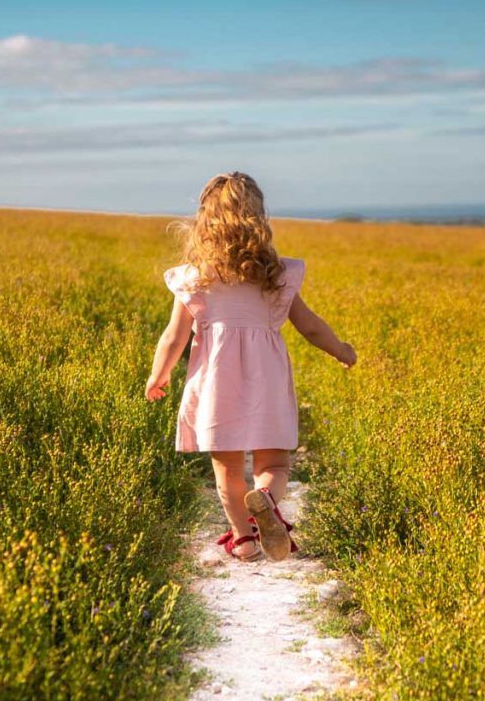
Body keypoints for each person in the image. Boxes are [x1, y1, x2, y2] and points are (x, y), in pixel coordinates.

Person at [145, 172, 356, 563]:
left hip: (215, 384)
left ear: (205, 221)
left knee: (226, 470)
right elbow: (309, 325)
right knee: (273, 462)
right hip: (268, 380)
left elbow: (173, 337)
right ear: (259, 218)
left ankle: (244, 538)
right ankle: (268, 505)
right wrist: (339, 349)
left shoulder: (194, 279)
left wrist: (159, 374)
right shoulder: (276, 275)